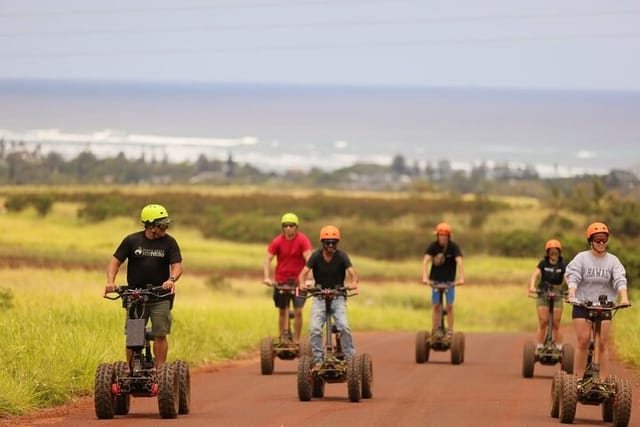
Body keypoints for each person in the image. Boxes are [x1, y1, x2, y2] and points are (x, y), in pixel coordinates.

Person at [105, 203, 183, 369]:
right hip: (135, 296)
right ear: (151, 225)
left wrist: (171, 279)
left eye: (167, 225)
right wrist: (110, 282)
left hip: (160, 296)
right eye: (162, 225)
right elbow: (115, 262)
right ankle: (132, 370)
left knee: (160, 334)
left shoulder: (170, 243)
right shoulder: (132, 240)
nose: (165, 228)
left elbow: (177, 266)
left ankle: (160, 372)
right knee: (133, 336)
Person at [565, 222, 631, 379]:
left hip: (604, 306)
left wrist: (624, 298)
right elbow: (573, 277)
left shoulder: (613, 261)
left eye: (604, 239)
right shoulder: (582, 258)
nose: (601, 243)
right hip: (583, 304)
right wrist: (572, 294)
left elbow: (620, 279)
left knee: (602, 343)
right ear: (590, 241)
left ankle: (603, 382)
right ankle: (578, 379)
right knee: (583, 341)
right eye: (597, 240)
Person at [299, 225, 359, 370]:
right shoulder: (315, 256)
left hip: (338, 296)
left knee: (344, 326)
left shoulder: (342, 256)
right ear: (323, 243)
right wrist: (302, 284)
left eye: (334, 242)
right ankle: (318, 360)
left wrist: (353, 283)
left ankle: (350, 359)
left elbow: (353, 274)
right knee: (314, 329)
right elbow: (303, 273)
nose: (331, 245)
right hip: (319, 296)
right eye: (328, 242)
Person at [263, 212, 312, 344]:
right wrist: (267, 278)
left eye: (291, 225)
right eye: (286, 226)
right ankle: (282, 339)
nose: (289, 228)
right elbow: (267, 258)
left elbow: (309, 259)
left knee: (298, 310)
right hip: (281, 282)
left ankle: (296, 340)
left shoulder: (302, 240)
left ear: (296, 227)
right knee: (282, 310)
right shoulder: (278, 241)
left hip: (298, 283)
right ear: (282, 227)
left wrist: (309, 279)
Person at [421, 222, 464, 336]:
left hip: (449, 282)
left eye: (445, 235)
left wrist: (461, 278)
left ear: (448, 236)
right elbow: (425, 260)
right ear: (437, 235)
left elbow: (459, 261)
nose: (442, 237)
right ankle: (435, 330)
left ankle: (450, 331)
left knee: (449, 306)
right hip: (435, 281)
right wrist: (425, 277)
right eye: (440, 235)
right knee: (436, 306)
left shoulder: (453, 247)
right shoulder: (433, 246)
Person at [528, 239, 567, 350]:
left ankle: (559, 348)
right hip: (543, 293)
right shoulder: (543, 263)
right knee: (543, 321)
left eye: (556, 252)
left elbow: (567, 278)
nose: (553, 254)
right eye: (551, 252)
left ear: (559, 253)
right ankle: (540, 346)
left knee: (556, 323)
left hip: (557, 294)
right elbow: (535, 275)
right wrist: (532, 286)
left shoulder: (562, 265)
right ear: (548, 253)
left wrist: (572, 290)